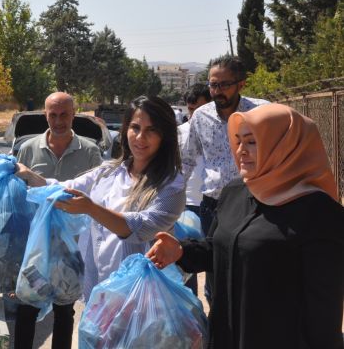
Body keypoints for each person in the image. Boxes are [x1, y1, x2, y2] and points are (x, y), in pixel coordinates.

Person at [147, 103, 344, 349]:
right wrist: (182, 251)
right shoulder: (236, 191)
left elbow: (324, 307)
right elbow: (221, 248)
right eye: (238, 141)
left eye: (252, 142)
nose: (240, 150)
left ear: (283, 145)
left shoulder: (318, 212)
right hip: (227, 336)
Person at [17, 95, 185, 317]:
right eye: (135, 127)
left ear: (165, 136)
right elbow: (63, 188)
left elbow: (143, 228)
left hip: (142, 301)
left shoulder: (171, 185)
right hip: (101, 293)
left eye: (151, 130)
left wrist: (91, 208)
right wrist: (27, 176)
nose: (140, 137)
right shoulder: (110, 172)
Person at [13, 91, 103, 349]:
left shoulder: (89, 151)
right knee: (27, 307)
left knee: (64, 311)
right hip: (35, 248)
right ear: (46, 115)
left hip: (71, 247)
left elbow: (95, 194)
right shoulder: (28, 150)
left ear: (74, 114)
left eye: (64, 114)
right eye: (53, 114)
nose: (59, 120)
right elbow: (19, 197)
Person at [181, 55, 269, 303]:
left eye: (224, 85)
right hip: (214, 207)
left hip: (256, 203)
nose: (217, 91)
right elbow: (187, 161)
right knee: (216, 271)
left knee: (252, 269)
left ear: (241, 84)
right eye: (212, 85)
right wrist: (169, 199)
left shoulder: (261, 112)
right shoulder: (200, 116)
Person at [177, 83, 211, 296]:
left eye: (199, 109)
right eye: (190, 110)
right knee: (185, 263)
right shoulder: (179, 134)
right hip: (185, 206)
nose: (194, 115)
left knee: (215, 262)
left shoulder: (221, 130)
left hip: (214, 204)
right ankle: (189, 309)